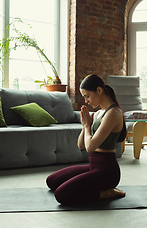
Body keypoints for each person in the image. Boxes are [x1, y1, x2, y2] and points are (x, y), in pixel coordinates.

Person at [46, 74, 127, 205]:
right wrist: (84, 127)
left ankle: (106, 192)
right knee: (52, 181)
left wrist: (87, 126)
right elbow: (81, 145)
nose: (86, 101)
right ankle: (97, 187)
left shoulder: (113, 113)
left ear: (99, 90)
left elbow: (90, 147)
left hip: (107, 172)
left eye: (87, 96)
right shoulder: (98, 113)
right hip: (92, 167)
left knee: (61, 195)